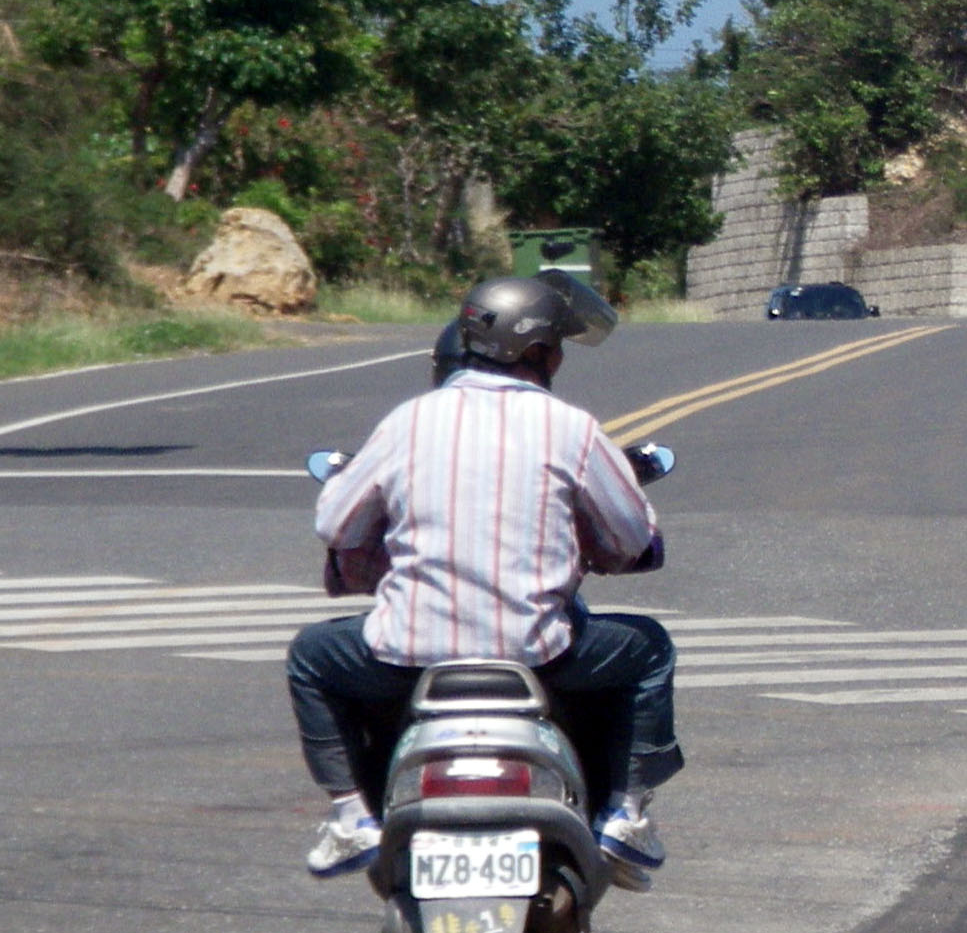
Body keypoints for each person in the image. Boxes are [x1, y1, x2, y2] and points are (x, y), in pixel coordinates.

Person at [287, 273, 681, 888]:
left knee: (312, 656)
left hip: (405, 657)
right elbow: (631, 538)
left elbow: (336, 522)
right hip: (540, 655)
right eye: (557, 346)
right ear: (541, 352)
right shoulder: (571, 428)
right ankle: (625, 816)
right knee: (649, 648)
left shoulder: (407, 421)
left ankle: (350, 816)